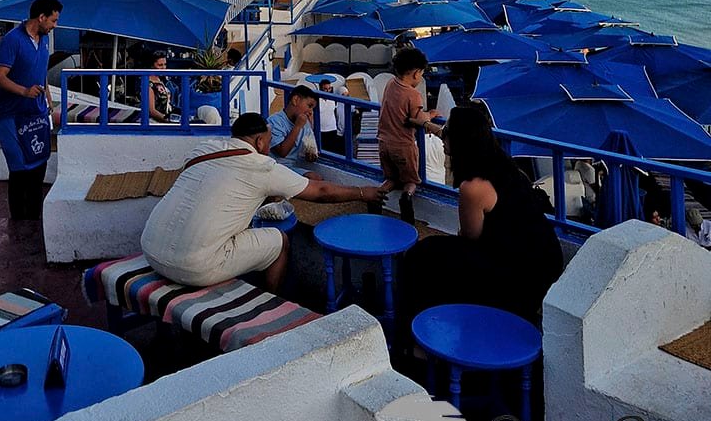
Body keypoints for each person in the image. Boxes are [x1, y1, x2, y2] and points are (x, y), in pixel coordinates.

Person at [140, 113, 388, 292]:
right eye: (268, 142)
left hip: (150, 247)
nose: (269, 147)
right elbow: (320, 191)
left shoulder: (203, 150)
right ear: (259, 141)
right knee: (280, 242)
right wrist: (363, 193)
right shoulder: (260, 166)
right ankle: (270, 300)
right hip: (194, 267)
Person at [399, 105, 564, 327]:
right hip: (542, 263)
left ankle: (418, 334)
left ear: (459, 142)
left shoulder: (473, 188)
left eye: (447, 133)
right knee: (432, 252)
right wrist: (426, 124)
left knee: (422, 258)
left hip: (518, 275)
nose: (443, 136)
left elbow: (470, 237)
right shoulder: (504, 166)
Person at [0, 0, 63, 220]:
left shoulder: (44, 40)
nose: (55, 26)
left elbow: (41, 71)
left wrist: (49, 98)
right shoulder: (13, 40)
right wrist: (24, 91)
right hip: (11, 116)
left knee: (38, 167)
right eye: (53, 21)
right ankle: (18, 222)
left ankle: (34, 220)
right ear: (41, 17)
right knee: (19, 169)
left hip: (37, 113)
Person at [376, 48, 440, 224]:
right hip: (403, 145)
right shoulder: (413, 95)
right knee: (411, 180)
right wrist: (431, 115)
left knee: (391, 179)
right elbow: (418, 119)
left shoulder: (390, 84)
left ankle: (377, 195)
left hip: (383, 142)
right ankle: (407, 198)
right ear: (416, 73)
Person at [268, 84, 322, 172]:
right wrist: (297, 126)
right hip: (274, 167)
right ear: (295, 100)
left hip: (292, 168)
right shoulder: (275, 121)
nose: (310, 112)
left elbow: (309, 146)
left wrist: (311, 154)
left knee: (316, 177)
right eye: (309, 106)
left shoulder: (306, 124)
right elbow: (282, 152)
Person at [317, 78, 345, 154]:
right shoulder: (317, 100)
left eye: (329, 89)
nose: (328, 91)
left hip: (332, 128)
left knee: (332, 151)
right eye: (325, 89)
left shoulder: (333, 99)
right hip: (320, 129)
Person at [148, 50, 174, 123]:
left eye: (165, 64)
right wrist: (169, 121)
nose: (163, 68)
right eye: (160, 65)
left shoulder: (160, 79)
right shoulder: (149, 84)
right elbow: (152, 111)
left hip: (166, 118)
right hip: (155, 122)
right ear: (152, 65)